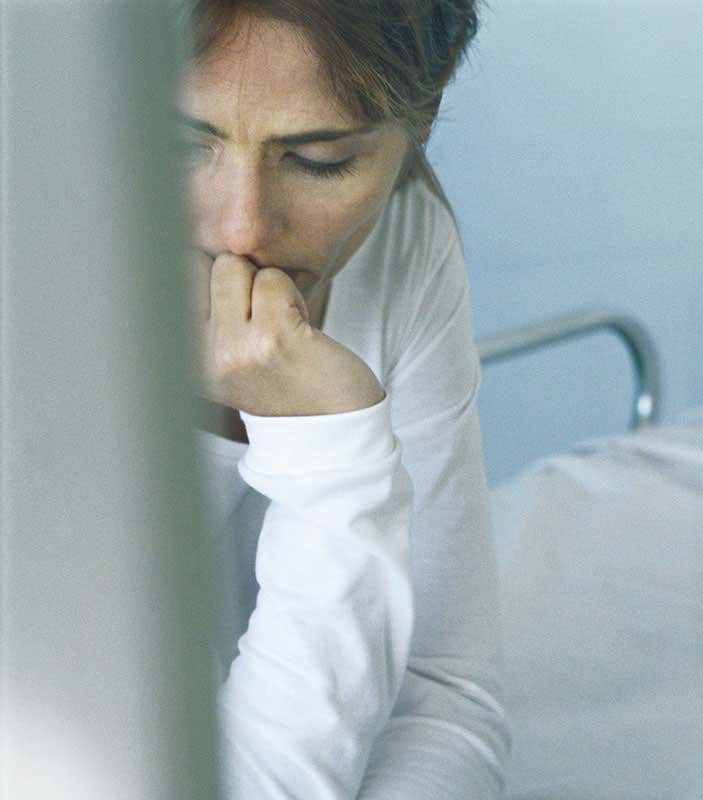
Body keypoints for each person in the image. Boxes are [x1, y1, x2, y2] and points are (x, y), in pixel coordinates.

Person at [177, 1, 509, 797]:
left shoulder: (404, 240)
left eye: (320, 160)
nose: (243, 230)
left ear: (420, 121)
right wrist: (333, 458)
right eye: (179, 146)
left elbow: (442, 693)